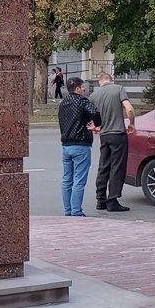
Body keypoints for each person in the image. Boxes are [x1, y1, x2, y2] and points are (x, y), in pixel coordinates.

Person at [91, 74, 136, 212]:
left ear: (100, 82)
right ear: (111, 80)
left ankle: (100, 199)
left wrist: (94, 127)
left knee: (103, 166)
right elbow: (129, 109)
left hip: (104, 135)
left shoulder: (94, 95)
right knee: (117, 167)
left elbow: (90, 115)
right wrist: (132, 123)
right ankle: (113, 200)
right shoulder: (119, 89)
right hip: (118, 134)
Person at [58, 76, 100, 217]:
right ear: (77, 88)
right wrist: (95, 124)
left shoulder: (63, 103)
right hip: (81, 145)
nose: (83, 89)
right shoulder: (82, 101)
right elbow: (95, 113)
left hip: (66, 146)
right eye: (82, 87)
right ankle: (76, 211)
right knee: (79, 181)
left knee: (66, 180)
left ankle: (68, 210)